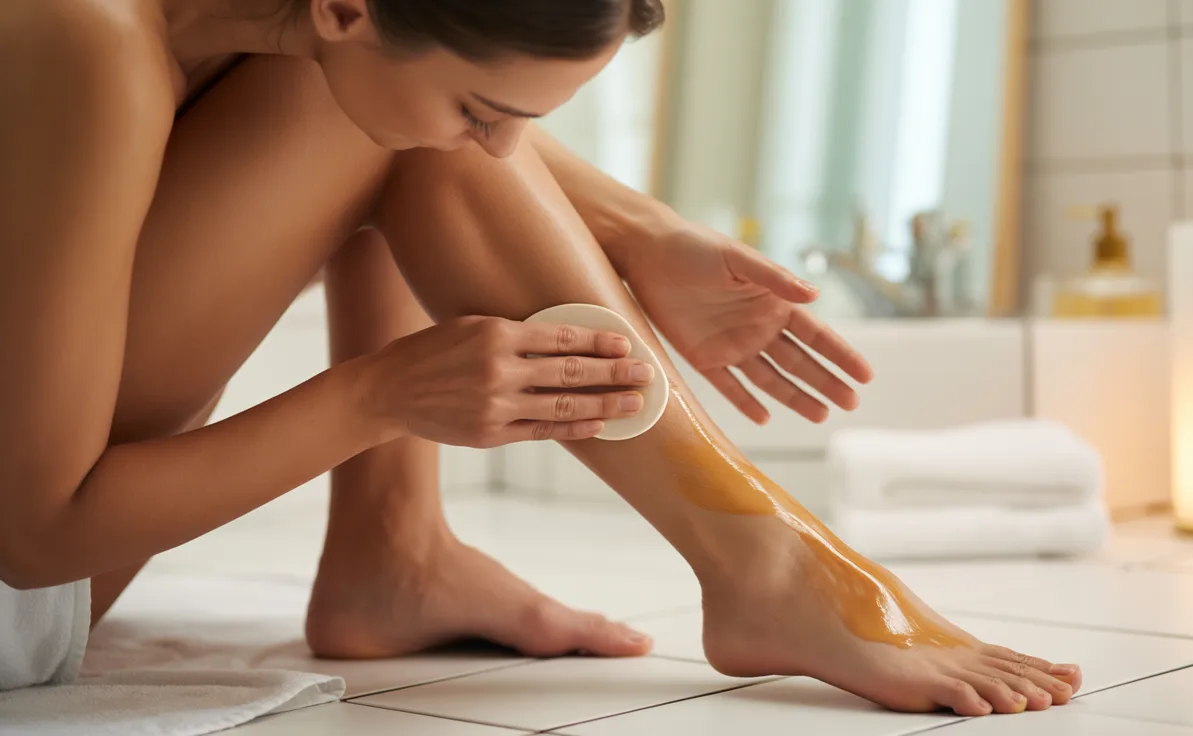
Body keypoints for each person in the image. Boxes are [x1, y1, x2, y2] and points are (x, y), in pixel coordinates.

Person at [0, 0, 1081, 716]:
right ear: (344, 4)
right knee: (377, 122)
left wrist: (639, 229)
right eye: (490, 112)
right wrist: (381, 394)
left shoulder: (262, 14)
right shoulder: (83, 39)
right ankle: (762, 563)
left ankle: (398, 550)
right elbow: (38, 538)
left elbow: (388, 72)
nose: (507, 153)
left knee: (373, 106)